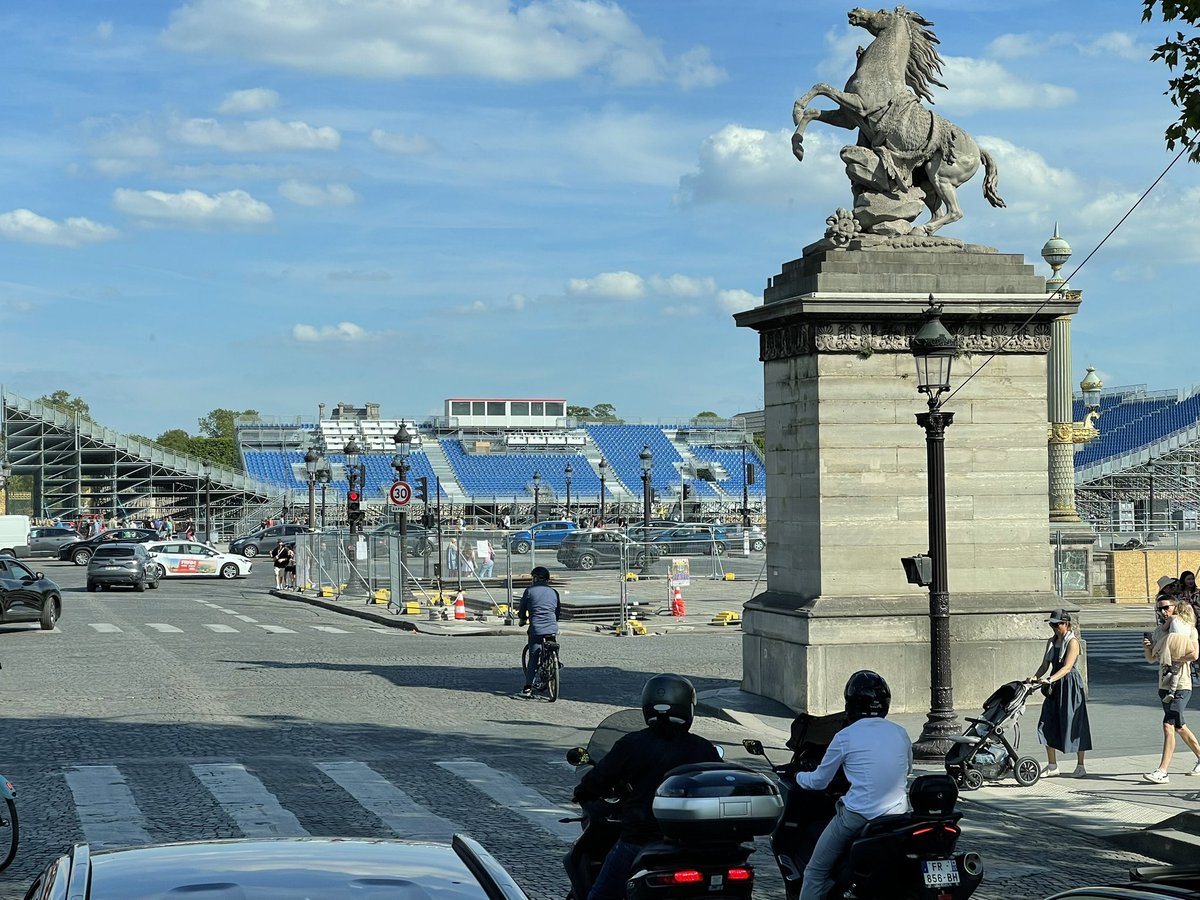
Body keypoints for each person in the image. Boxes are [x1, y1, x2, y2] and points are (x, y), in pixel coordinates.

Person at [571, 673, 721, 900]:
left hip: (640, 839)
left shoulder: (632, 744)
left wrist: (583, 791)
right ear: (687, 707)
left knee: (600, 896)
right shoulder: (704, 749)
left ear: (647, 706)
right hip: (695, 844)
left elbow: (599, 778)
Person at [794, 671, 912, 900]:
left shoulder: (845, 736)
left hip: (859, 816)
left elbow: (819, 781)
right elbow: (906, 770)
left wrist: (798, 776)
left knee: (815, 872)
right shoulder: (901, 732)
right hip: (897, 817)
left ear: (851, 702)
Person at [1026, 608, 1092, 777]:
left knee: (1075, 722)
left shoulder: (1073, 642)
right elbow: (1044, 665)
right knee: (1047, 721)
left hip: (1069, 685)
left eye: (1057, 625)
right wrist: (1035, 677)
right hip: (1055, 686)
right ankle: (1052, 765)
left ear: (1066, 624)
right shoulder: (1051, 641)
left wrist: (1050, 679)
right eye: (1052, 625)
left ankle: (1080, 765)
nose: (1054, 628)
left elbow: (1067, 667)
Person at [1144, 597, 1200, 783]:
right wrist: (1148, 648)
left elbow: (1194, 654)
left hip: (1182, 684)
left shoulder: (1188, 629)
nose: (1163, 612)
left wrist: (1173, 656)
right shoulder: (1159, 631)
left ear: (1175, 608)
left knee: (1168, 725)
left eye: (1166, 608)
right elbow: (1152, 658)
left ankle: (1162, 771)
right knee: (1179, 726)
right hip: (1164, 684)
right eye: (1160, 609)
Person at [517, 566, 561, 696]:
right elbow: (557, 611)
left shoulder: (530, 591)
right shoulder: (554, 592)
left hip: (536, 628)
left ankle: (527, 688)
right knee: (552, 644)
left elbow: (522, 609)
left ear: (535, 578)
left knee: (534, 657)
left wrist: (523, 619)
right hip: (552, 626)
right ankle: (555, 661)